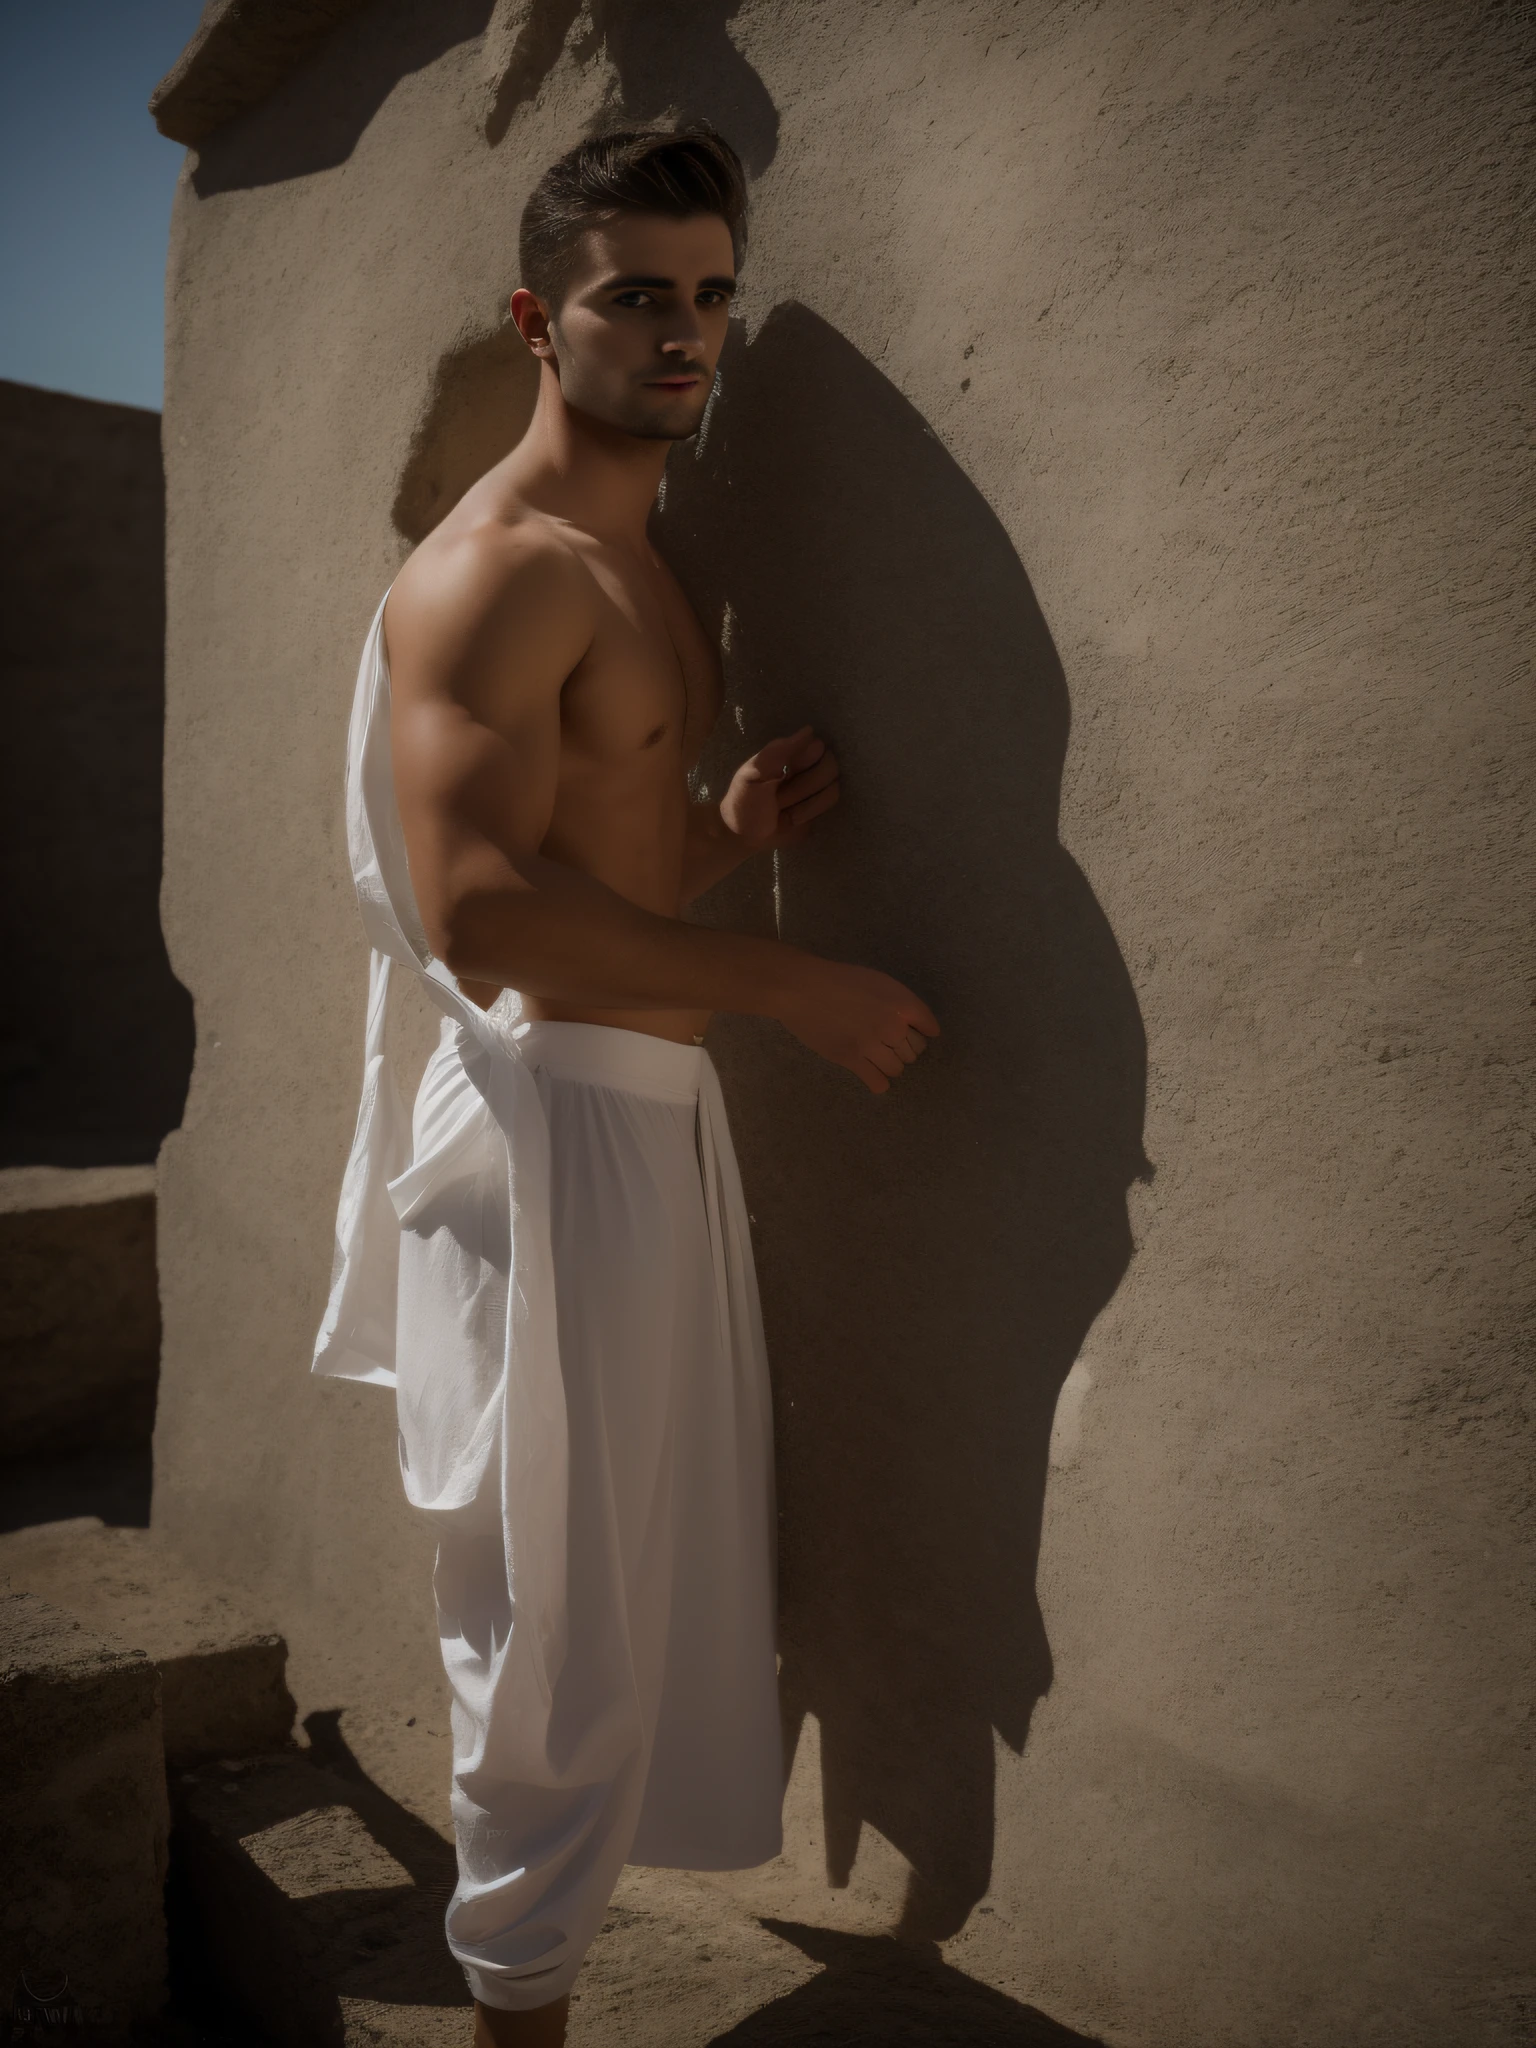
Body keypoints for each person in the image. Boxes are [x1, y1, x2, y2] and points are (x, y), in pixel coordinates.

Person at [313, 123, 938, 2047]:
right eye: (637, 296)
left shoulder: (647, 573)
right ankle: (518, 2022)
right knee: (552, 1628)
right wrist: (792, 982)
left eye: (711, 296)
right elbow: (487, 911)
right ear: (538, 318)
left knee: (641, 1595)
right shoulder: (497, 572)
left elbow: (597, 870)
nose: (685, 335)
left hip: (646, 1126)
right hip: (547, 1129)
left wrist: (721, 831)